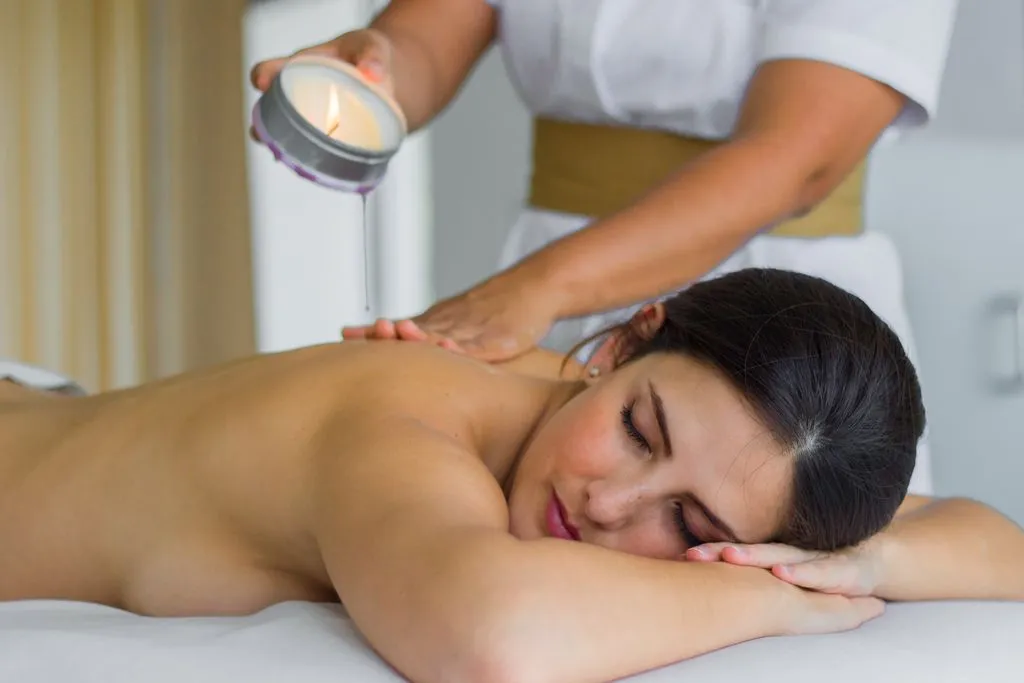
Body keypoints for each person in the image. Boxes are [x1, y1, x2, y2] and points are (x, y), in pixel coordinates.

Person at [1, 268, 1022, 683]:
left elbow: (995, 544)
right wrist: (770, 597)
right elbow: (494, 638)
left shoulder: (617, 419)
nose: (609, 503)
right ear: (622, 344)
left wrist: (859, 562)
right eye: (638, 431)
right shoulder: (400, 427)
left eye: (688, 520)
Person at [250, 0, 960, 496]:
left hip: (779, 316)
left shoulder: (542, 288)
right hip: (545, 278)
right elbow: (426, 39)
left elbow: (799, 157)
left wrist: (538, 289)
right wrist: (378, 67)